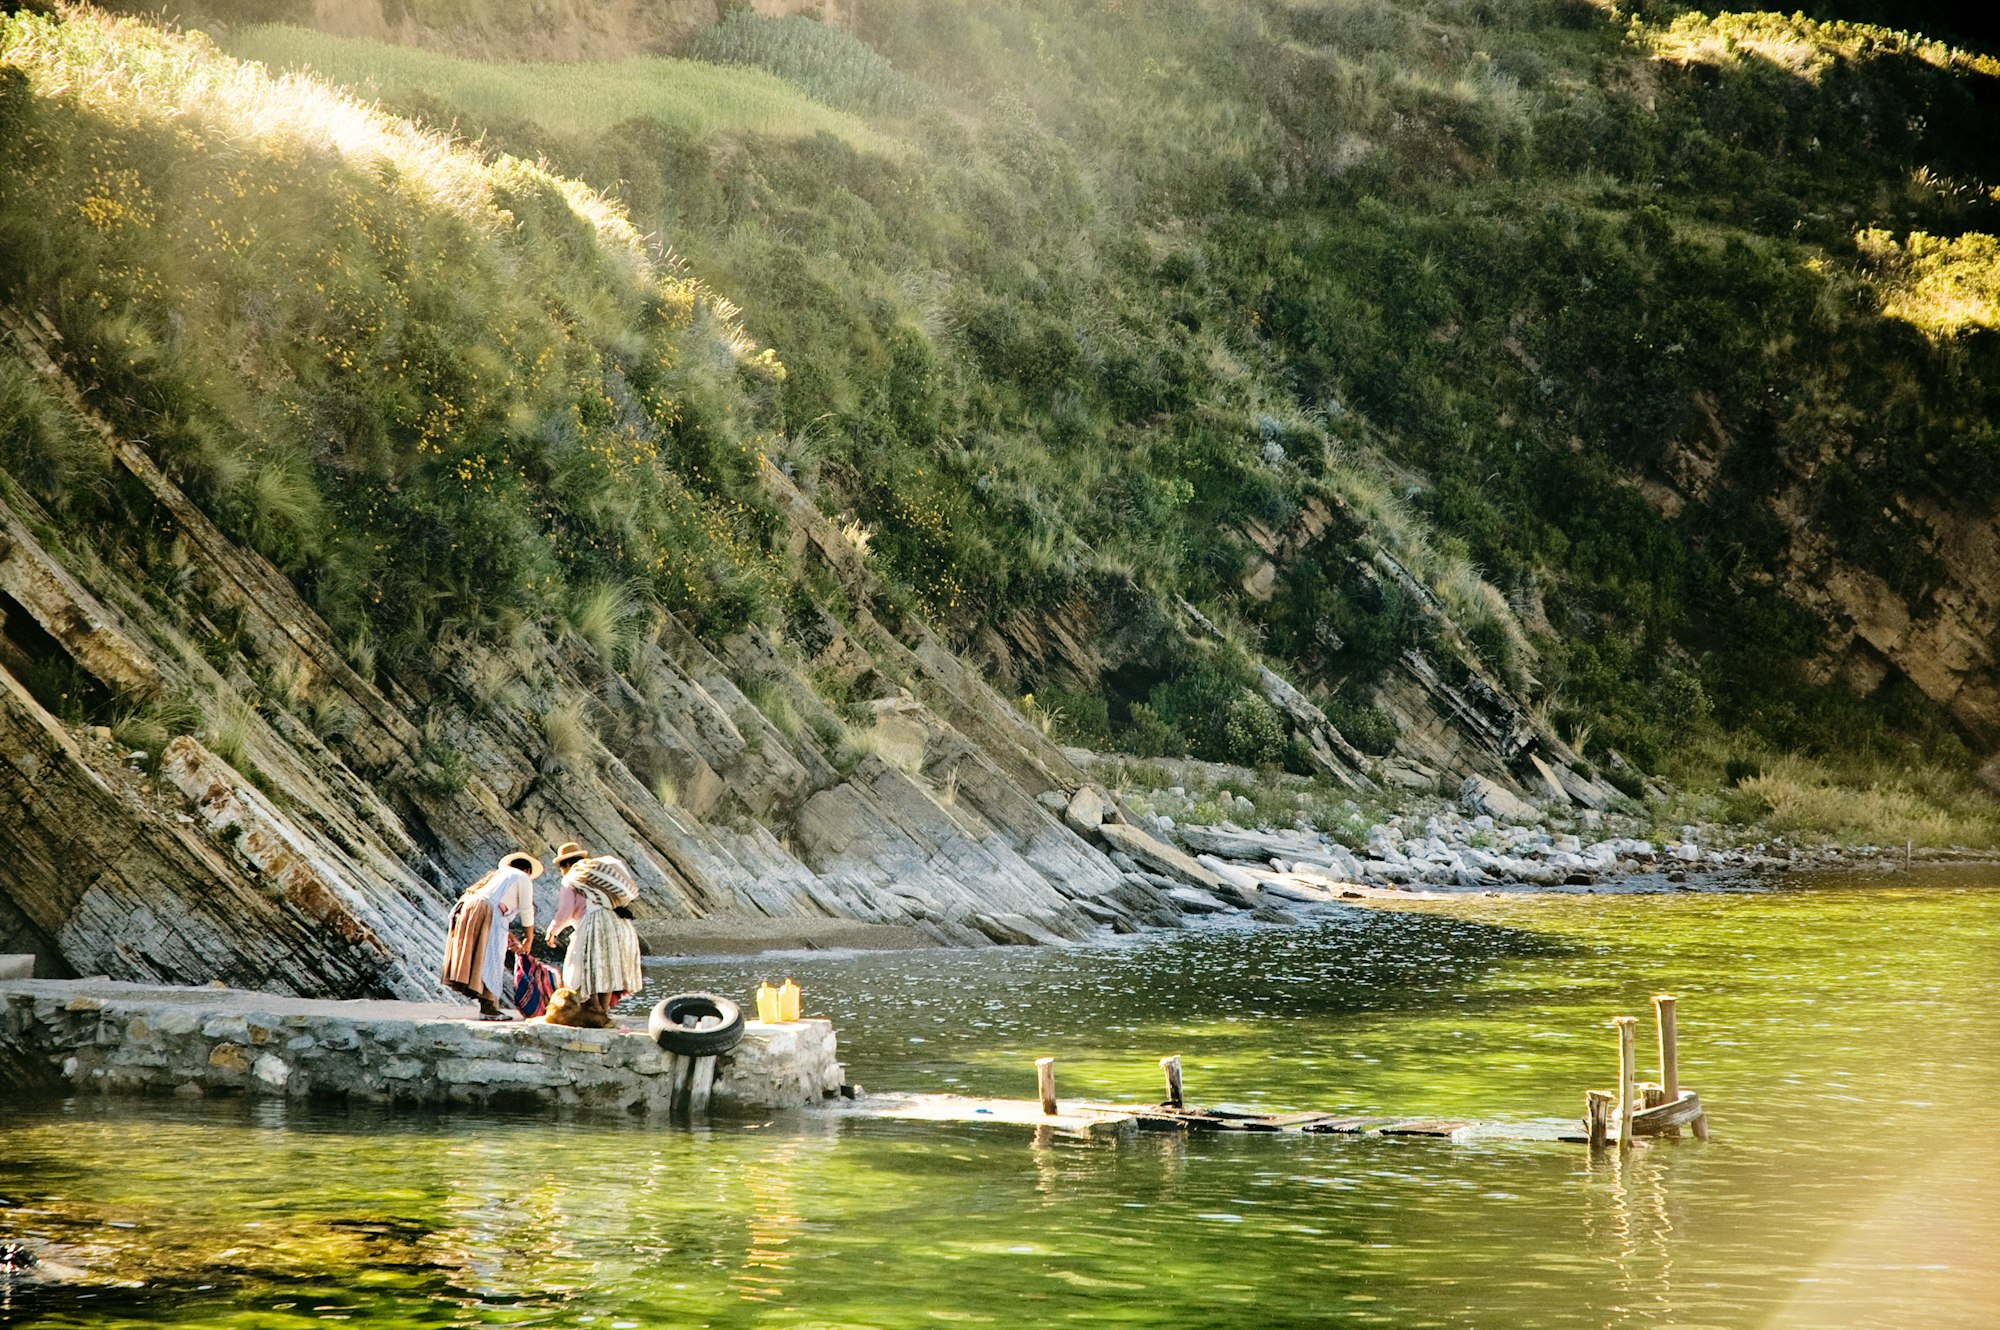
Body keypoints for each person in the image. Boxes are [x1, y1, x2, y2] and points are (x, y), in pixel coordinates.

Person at [543, 841, 642, 1029]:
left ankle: (594, 1007)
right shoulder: (595, 877)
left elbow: (565, 911)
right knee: (606, 967)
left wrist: (553, 930)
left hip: (594, 924)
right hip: (618, 924)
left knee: (586, 965)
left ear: (564, 865)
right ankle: (603, 1012)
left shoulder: (571, 880)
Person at [442, 851, 541, 1020]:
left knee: (478, 955)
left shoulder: (496, 877)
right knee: (493, 957)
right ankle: (489, 1008)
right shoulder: (522, 877)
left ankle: (486, 1006)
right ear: (527, 870)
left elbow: (496, 908)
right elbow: (526, 910)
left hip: (470, 908)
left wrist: (512, 939)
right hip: (488, 910)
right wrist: (529, 938)